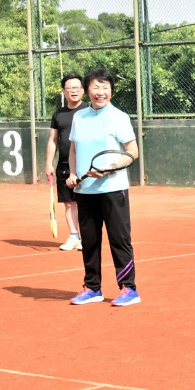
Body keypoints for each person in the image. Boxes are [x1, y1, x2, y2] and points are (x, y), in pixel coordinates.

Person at [66, 68, 141, 307]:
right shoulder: (79, 117)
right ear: (88, 90)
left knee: (119, 239)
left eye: (105, 87)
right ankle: (92, 288)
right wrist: (74, 173)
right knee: (89, 241)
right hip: (85, 190)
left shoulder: (119, 117)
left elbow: (132, 152)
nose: (101, 92)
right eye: (96, 87)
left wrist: (109, 168)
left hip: (112, 188)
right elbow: (74, 150)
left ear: (111, 90)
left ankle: (129, 289)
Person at [44, 75, 86, 251]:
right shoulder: (58, 114)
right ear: (64, 91)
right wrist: (48, 163)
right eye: (70, 88)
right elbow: (53, 140)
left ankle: (87, 237)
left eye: (77, 87)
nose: (74, 91)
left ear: (83, 90)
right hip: (63, 165)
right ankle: (74, 236)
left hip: (84, 164)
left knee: (85, 202)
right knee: (69, 203)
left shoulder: (89, 111)